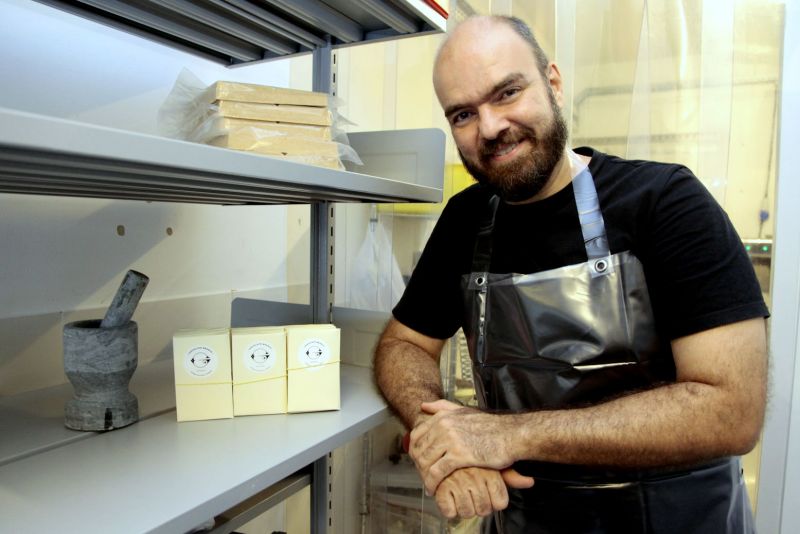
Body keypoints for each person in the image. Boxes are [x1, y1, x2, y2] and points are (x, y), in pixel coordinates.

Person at [373, 14, 769, 534]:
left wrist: (509, 436)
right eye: (463, 115)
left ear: (553, 83)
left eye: (508, 92)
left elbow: (732, 409)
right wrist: (439, 434)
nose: (490, 127)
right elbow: (401, 346)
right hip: (524, 522)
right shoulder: (466, 220)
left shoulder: (666, 203)